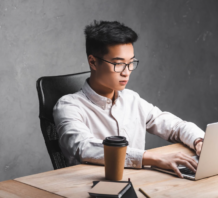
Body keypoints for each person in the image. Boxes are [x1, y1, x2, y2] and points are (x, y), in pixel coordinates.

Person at [53, 20, 205, 178]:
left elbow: (174, 126)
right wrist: (152, 158)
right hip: (92, 188)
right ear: (93, 62)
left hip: (138, 183)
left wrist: (199, 140)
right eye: (118, 64)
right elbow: (84, 147)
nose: (127, 72)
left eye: (131, 63)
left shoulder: (131, 99)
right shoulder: (68, 106)